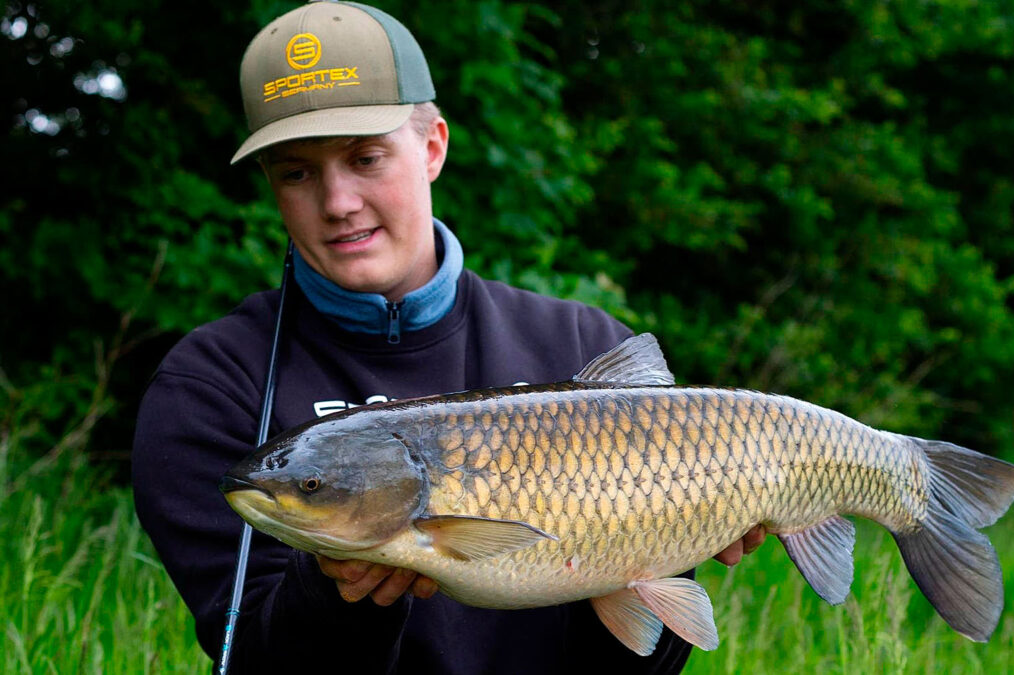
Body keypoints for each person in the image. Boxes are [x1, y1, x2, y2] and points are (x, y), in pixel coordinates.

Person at [132, 2, 765, 672]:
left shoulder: (579, 341)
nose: (338, 200)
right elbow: (254, 660)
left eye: (366, 156)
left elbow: (645, 662)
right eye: (297, 171)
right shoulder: (208, 387)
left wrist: (677, 541)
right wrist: (337, 591)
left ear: (433, 145)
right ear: (270, 185)